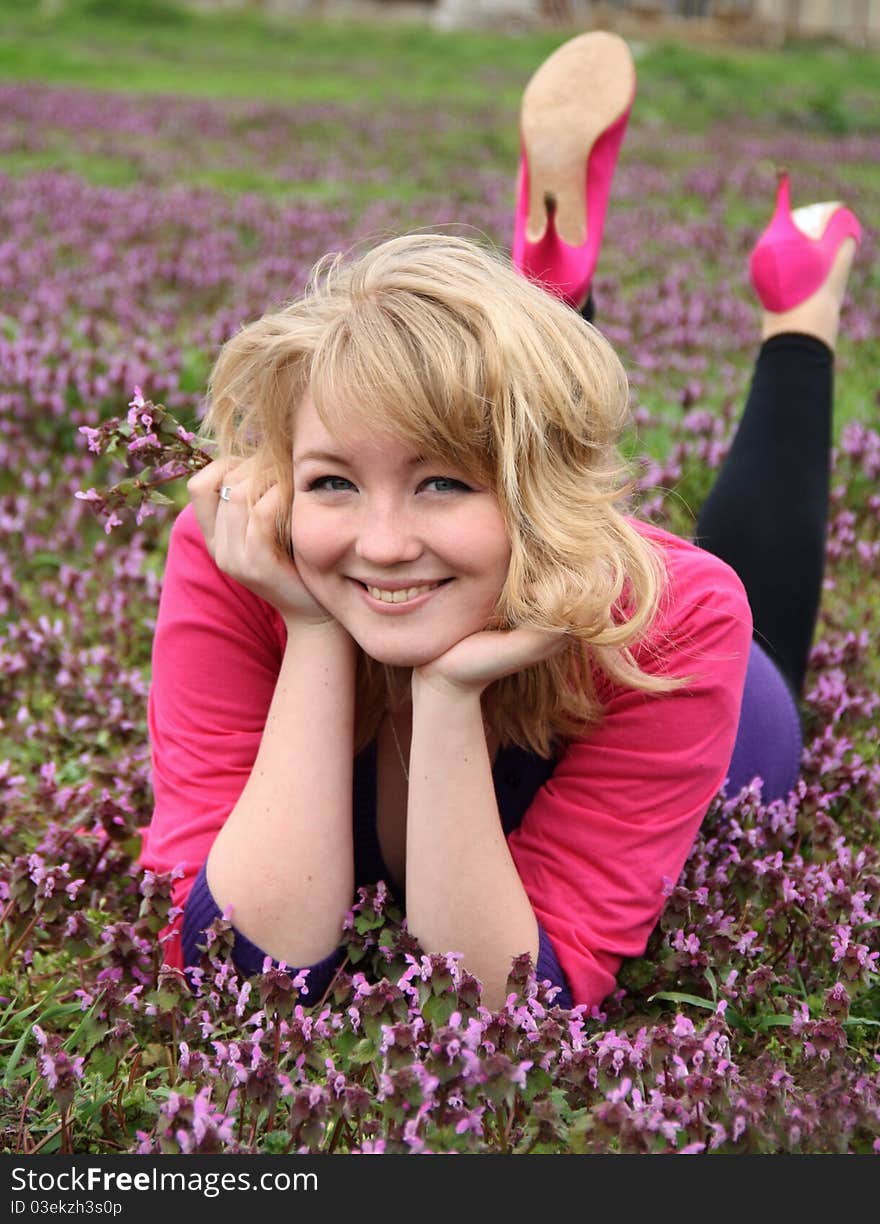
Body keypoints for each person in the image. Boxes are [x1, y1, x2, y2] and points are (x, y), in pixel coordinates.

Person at [139, 32, 861, 1011]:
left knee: (754, 624)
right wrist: (311, 629)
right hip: (517, 536)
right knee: (490, 448)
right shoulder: (244, 551)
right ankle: (538, 314)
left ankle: (798, 316)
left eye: (439, 485)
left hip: (674, 665)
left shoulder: (674, 618)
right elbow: (239, 970)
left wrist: (444, 702)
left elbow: (505, 1013)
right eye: (331, 482)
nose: (380, 540)